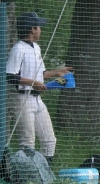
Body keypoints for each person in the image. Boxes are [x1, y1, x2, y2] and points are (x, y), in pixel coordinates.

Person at [6, 12, 72, 164]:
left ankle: (43, 173)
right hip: (22, 98)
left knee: (49, 140)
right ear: (32, 29)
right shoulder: (18, 48)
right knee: (27, 142)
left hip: (37, 99)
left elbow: (40, 73)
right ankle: (26, 175)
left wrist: (57, 72)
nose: (41, 30)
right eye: (39, 27)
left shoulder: (36, 47)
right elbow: (10, 75)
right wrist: (32, 83)